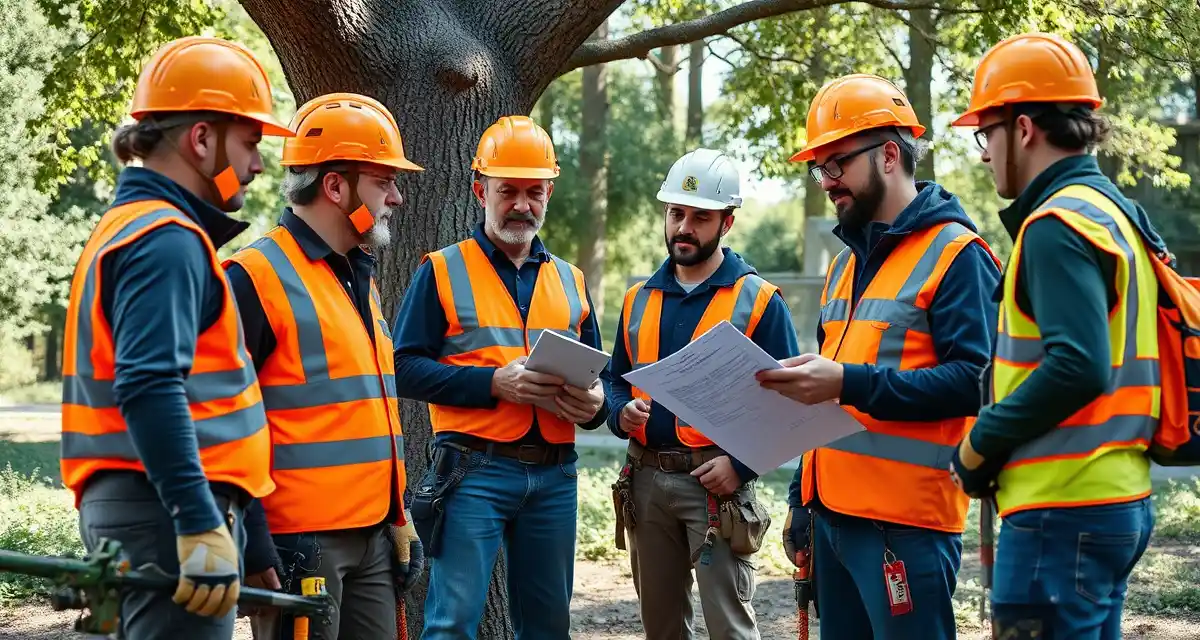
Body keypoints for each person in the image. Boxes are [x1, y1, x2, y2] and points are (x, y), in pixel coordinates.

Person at [59, 36, 294, 639]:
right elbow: (149, 386)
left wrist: (231, 527)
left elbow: (178, 392)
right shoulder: (164, 239)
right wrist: (198, 520)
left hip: (153, 503)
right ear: (201, 139)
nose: (258, 164)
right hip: (166, 510)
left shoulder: (137, 228)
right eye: (250, 143)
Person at [755, 73, 1002, 639]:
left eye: (837, 163)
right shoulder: (844, 265)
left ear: (890, 154)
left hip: (906, 529)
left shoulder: (958, 255)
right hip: (833, 519)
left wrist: (847, 381)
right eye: (820, 168)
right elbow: (825, 400)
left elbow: (976, 384)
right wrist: (802, 499)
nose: (827, 181)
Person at [948, 32, 1160, 639]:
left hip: (1059, 513)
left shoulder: (1056, 224)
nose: (984, 153)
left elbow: (1080, 365)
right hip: (1115, 499)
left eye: (986, 133)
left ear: (1022, 129)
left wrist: (980, 443)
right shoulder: (1116, 215)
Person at [391, 114, 608, 640]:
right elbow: (400, 368)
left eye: (534, 192)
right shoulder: (440, 269)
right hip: (473, 472)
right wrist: (493, 385)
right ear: (478, 189)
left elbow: (602, 378)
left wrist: (596, 404)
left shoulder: (571, 280)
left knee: (548, 627)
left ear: (549, 194)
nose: (521, 204)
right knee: (452, 623)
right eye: (507, 190)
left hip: (556, 477)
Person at [223, 92, 424, 640]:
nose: (397, 197)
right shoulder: (253, 277)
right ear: (335, 186)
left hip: (376, 537)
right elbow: (223, 421)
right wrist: (254, 539)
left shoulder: (360, 278)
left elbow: (368, 414)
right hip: (298, 544)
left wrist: (397, 517)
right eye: (383, 181)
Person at [605, 148, 800, 640]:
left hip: (717, 487)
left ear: (726, 223)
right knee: (661, 627)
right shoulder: (637, 298)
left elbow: (792, 407)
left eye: (700, 217)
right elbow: (615, 379)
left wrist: (742, 467)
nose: (684, 227)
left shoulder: (759, 301)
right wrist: (617, 412)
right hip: (645, 481)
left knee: (729, 628)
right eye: (676, 213)